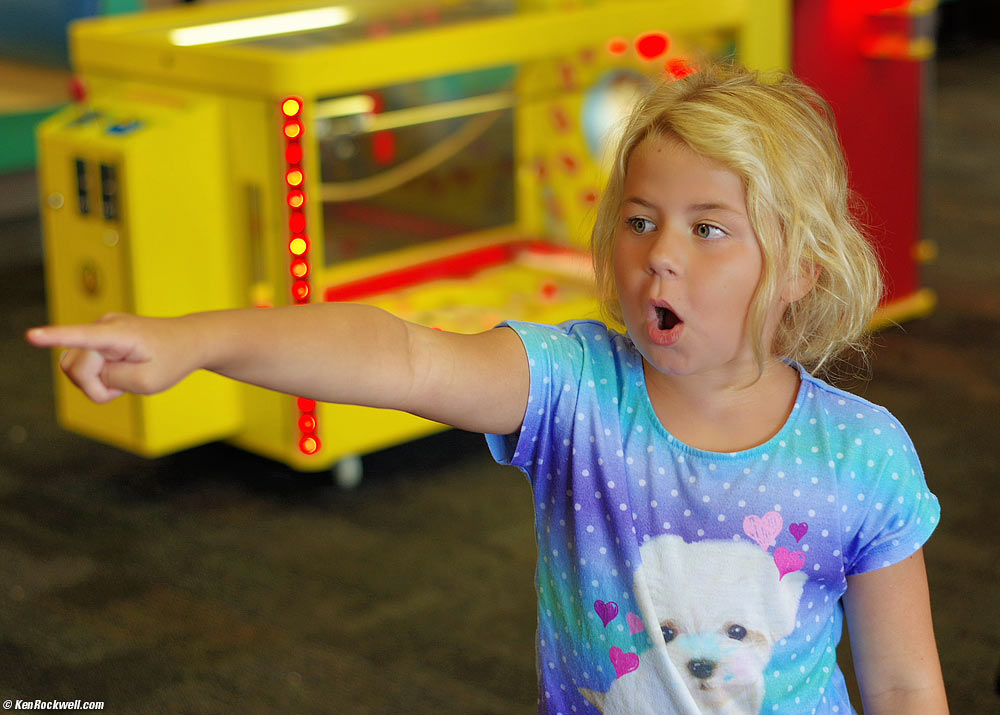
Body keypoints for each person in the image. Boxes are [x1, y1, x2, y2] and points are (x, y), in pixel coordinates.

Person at [26, 63, 948, 714]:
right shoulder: (578, 389)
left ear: (799, 270)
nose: (659, 254)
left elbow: (904, 685)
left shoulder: (862, 453)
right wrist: (193, 340)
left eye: (709, 229)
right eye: (639, 219)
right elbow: (400, 357)